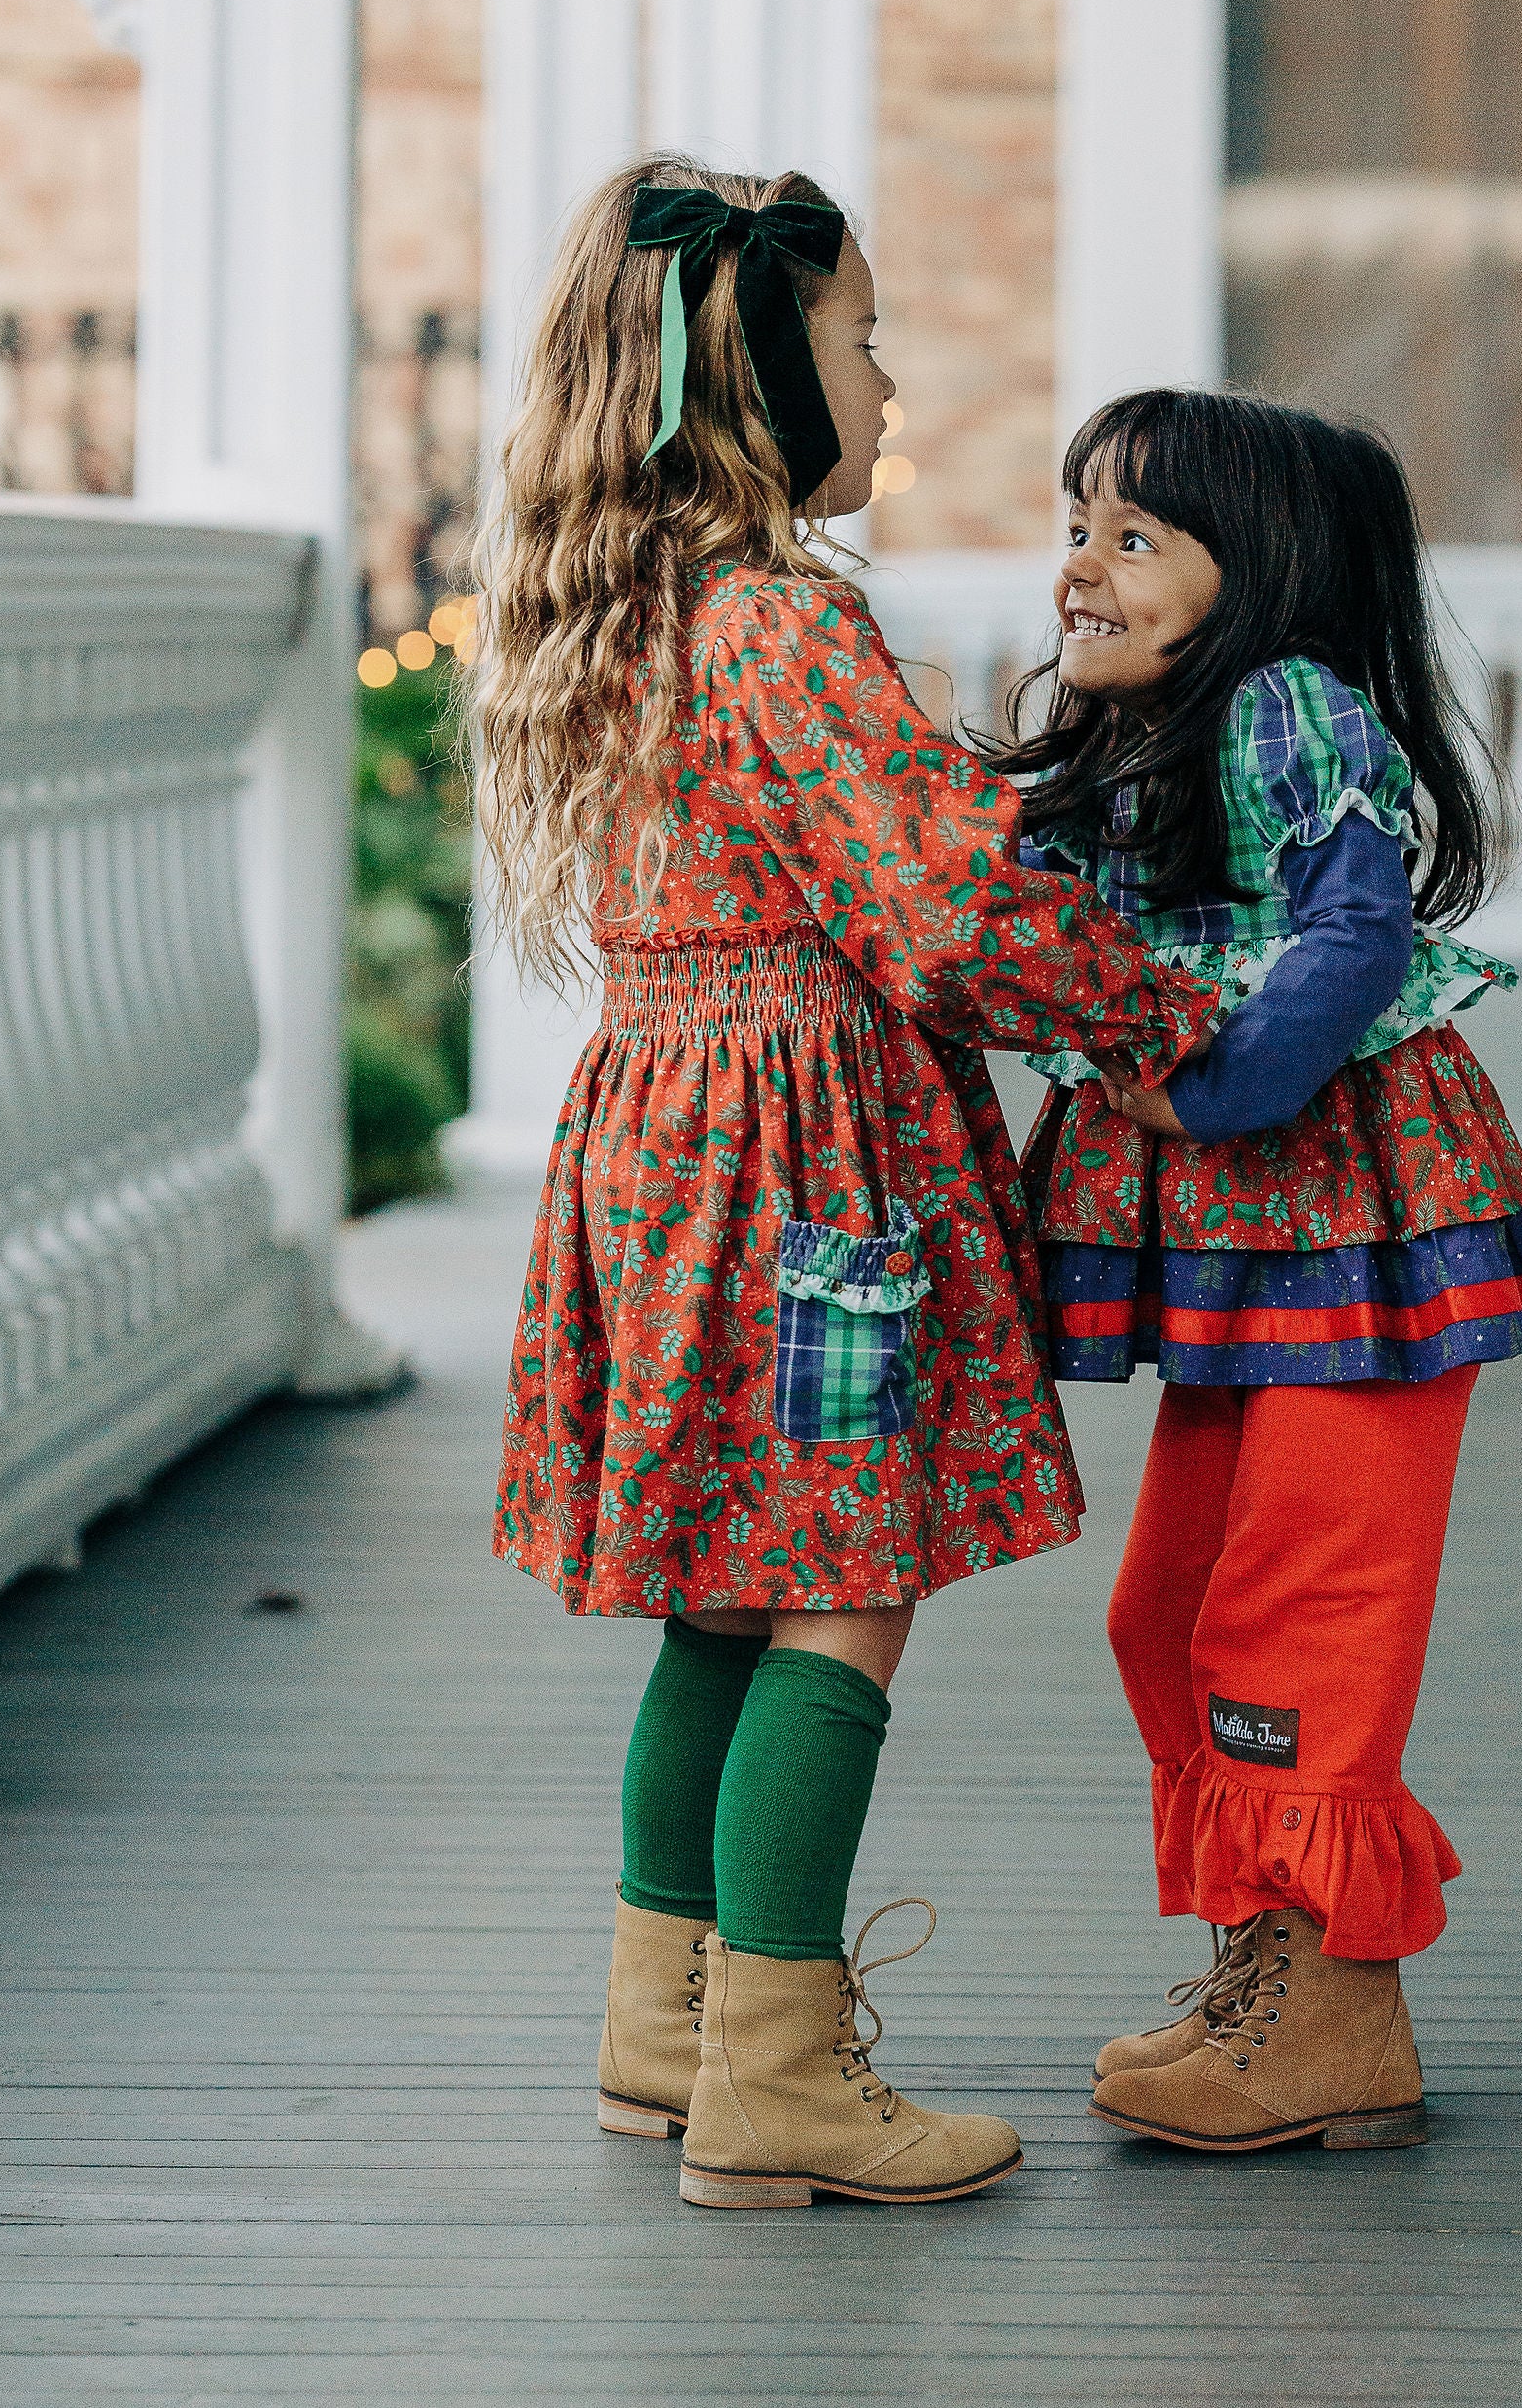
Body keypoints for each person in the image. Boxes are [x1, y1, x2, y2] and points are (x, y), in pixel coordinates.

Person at [474, 160, 1220, 2209]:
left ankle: (664, 2023)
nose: (887, 385)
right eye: (861, 340)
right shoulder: (784, 620)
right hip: (813, 1191)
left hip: (661, 1148)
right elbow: (940, 907)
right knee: (839, 1589)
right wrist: (1147, 1019)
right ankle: (779, 2078)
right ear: (752, 375)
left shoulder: (618, 610)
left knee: (724, 1592)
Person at [1003, 387, 1522, 2154]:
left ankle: (1335, 2007)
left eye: (1131, 537)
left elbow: (1358, 927)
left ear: (1251, 575)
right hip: (1258, 1257)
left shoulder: (1282, 710)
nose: (1078, 568)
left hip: (1356, 1220)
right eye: (1078, 525)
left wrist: (1234, 1083)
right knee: (1170, 1601)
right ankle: (1270, 1951)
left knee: (1297, 1609)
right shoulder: (1146, 733)